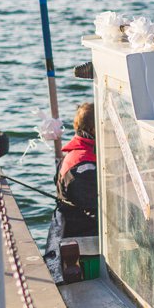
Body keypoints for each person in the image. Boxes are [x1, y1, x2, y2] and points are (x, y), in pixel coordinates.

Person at [57, 101, 98, 238]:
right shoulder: (81, 167)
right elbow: (95, 208)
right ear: (93, 129)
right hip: (85, 235)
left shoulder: (80, 153)